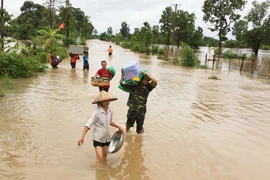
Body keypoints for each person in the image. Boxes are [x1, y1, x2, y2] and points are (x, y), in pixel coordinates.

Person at [77, 90, 124, 168]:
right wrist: (82, 137)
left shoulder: (110, 110)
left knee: (104, 157)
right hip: (98, 138)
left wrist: (119, 127)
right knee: (99, 158)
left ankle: (104, 172)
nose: (107, 102)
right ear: (100, 102)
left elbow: (110, 122)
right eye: (104, 100)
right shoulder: (96, 112)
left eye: (108, 100)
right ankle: (98, 174)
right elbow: (89, 124)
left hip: (107, 138)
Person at [119, 69, 157, 134]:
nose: (146, 81)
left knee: (139, 127)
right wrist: (122, 74)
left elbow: (155, 81)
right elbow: (121, 83)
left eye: (147, 80)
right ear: (142, 79)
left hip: (142, 110)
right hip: (132, 108)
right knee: (128, 124)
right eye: (145, 79)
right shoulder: (134, 85)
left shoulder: (149, 87)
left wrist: (147, 74)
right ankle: (127, 136)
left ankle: (139, 137)